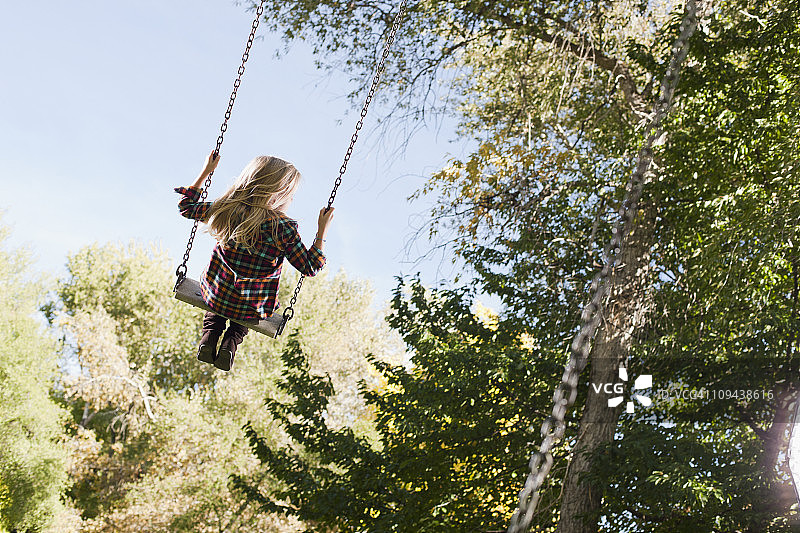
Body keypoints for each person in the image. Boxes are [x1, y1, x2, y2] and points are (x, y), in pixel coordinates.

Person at [175, 151, 333, 371]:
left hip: (216, 294)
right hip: (251, 306)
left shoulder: (227, 209)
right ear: (279, 193)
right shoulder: (283, 228)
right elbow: (310, 266)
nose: (292, 199)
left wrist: (206, 172)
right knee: (245, 309)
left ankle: (209, 337)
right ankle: (230, 344)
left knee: (221, 301)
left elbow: (187, 207)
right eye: (291, 194)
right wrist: (321, 231)